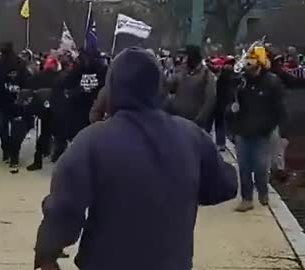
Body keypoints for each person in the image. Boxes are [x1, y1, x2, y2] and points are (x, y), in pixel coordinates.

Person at [34, 47, 238, 270]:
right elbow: (224, 186)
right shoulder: (191, 136)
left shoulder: (92, 141)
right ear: (159, 87)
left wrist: (47, 254)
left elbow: (65, 208)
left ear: (113, 88)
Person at [226, 46, 287, 212]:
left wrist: (271, 128)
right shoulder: (242, 82)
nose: (248, 64)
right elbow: (229, 96)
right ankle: (247, 198)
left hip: (262, 132)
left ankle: (262, 190)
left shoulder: (272, 82)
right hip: (243, 130)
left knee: (260, 167)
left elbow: (279, 109)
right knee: (244, 166)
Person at [0, 42, 32, 173]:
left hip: (5, 103)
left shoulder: (1, 65)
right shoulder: (18, 64)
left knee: (4, 128)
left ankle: (9, 152)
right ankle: (12, 153)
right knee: (12, 130)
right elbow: (27, 82)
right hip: (13, 103)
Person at [165, 45, 217, 131]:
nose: (183, 60)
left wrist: (199, 120)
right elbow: (169, 87)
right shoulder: (182, 71)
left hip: (191, 124)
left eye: (186, 57)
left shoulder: (207, 75)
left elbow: (210, 100)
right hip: (174, 119)